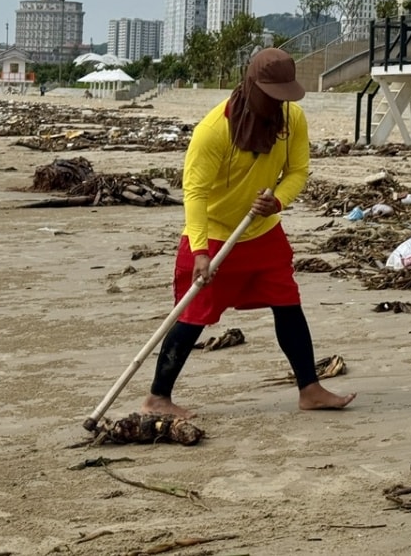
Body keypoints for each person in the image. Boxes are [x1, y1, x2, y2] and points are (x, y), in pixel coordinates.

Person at [140, 48, 356, 419]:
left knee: (287, 303)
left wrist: (278, 201)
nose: (279, 104)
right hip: (213, 233)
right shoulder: (214, 130)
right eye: (272, 96)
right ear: (252, 86)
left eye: (285, 96)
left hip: (262, 231)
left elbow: (297, 171)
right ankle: (158, 397)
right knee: (193, 314)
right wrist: (201, 251)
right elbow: (195, 192)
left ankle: (309, 389)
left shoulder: (292, 119)